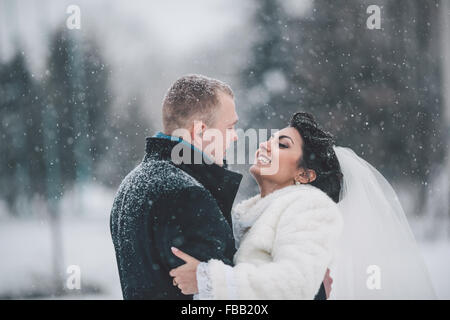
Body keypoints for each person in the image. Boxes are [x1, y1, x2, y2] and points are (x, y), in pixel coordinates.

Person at [170, 112, 436, 300]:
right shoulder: (248, 214)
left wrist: (207, 279)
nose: (265, 144)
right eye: (271, 138)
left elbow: (294, 285)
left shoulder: (310, 209)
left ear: (305, 175)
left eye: (282, 144)